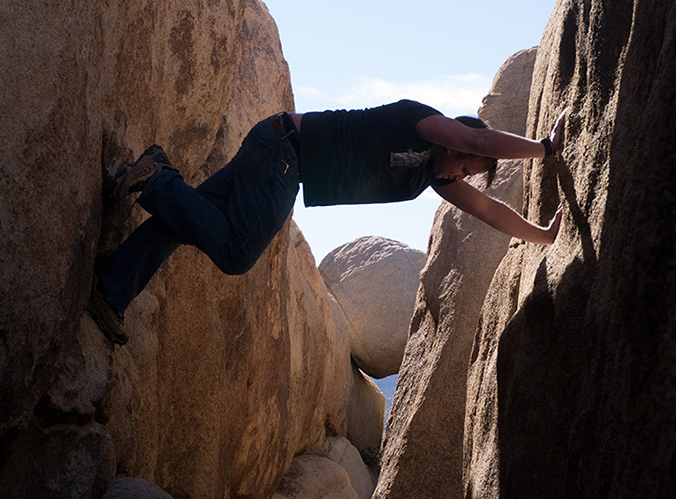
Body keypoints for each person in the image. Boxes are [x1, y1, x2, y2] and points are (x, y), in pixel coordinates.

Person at [87, 100, 566, 345]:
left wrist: (542, 235)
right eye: (465, 167)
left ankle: (110, 289)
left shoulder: (431, 177)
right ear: (454, 146)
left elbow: (488, 211)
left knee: (186, 221)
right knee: (235, 252)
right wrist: (544, 148)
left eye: (467, 176)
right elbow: (477, 142)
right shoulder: (421, 121)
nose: (461, 176)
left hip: (278, 155)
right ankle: (159, 179)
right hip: (284, 152)